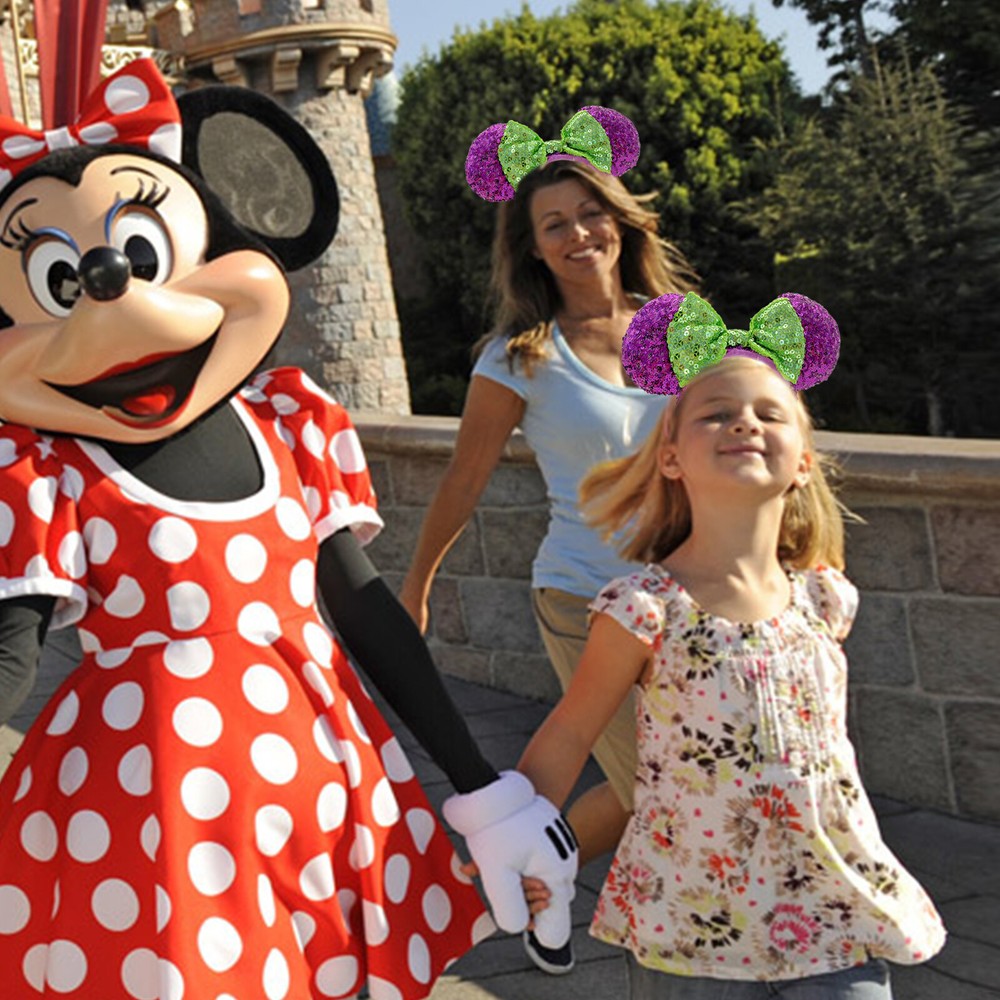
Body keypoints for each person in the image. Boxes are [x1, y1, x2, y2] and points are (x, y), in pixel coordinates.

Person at [0, 60, 574, 998]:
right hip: (155, 803)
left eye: (140, 253)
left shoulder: (288, 424)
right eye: (61, 280)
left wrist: (481, 787)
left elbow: (365, 609)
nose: (113, 293)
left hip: (319, 775)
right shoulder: (45, 471)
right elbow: (9, 655)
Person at [515, 292, 947, 998]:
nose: (744, 422)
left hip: (832, 917)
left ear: (803, 461)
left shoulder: (824, 599)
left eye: (769, 414)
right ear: (671, 457)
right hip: (691, 931)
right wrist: (517, 838)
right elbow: (568, 732)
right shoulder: (644, 609)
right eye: (716, 413)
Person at [401, 113, 698, 971]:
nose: (578, 234)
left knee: (668, 783)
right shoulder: (521, 355)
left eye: (590, 213)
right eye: (554, 224)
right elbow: (464, 480)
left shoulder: (679, 328)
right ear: (531, 248)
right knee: (658, 783)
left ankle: (522, 873)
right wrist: (415, 587)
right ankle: (671, 944)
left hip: (686, 598)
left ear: (620, 220)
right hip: (583, 595)